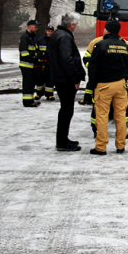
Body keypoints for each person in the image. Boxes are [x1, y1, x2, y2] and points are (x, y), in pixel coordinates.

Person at [88, 20, 128, 156]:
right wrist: (124, 78)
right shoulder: (124, 46)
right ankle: (120, 146)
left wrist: (92, 84)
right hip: (120, 85)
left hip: (104, 85)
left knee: (102, 116)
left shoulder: (100, 45)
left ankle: (101, 147)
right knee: (120, 116)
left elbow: (93, 67)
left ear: (107, 30)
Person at [48, 13, 85, 152]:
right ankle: (62, 142)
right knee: (66, 110)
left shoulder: (58, 34)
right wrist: (75, 78)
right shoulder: (64, 37)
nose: (76, 27)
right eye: (76, 25)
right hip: (65, 79)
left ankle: (63, 139)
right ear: (71, 25)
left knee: (65, 110)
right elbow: (67, 59)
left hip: (60, 77)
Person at [18, 20, 41, 108]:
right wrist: (34, 59)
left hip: (30, 65)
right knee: (28, 84)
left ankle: (30, 100)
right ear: (29, 26)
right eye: (35, 26)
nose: (36, 28)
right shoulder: (25, 37)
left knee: (31, 84)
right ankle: (27, 102)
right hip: (26, 65)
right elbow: (24, 53)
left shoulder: (31, 37)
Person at [34, 25, 55, 101]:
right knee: (39, 80)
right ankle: (39, 94)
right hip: (40, 63)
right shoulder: (40, 40)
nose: (50, 32)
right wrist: (37, 60)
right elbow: (36, 50)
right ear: (46, 31)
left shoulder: (55, 40)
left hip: (50, 64)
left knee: (50, 80)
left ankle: (49, 95)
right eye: (49, 31)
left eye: (51, 31)